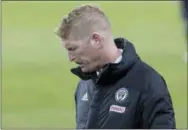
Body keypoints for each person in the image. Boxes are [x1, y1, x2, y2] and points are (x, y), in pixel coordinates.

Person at [55, 4, 176, 129]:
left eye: (73, 49)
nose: (70, 58)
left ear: (96, 40)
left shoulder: (148, 83)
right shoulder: (84, 85)